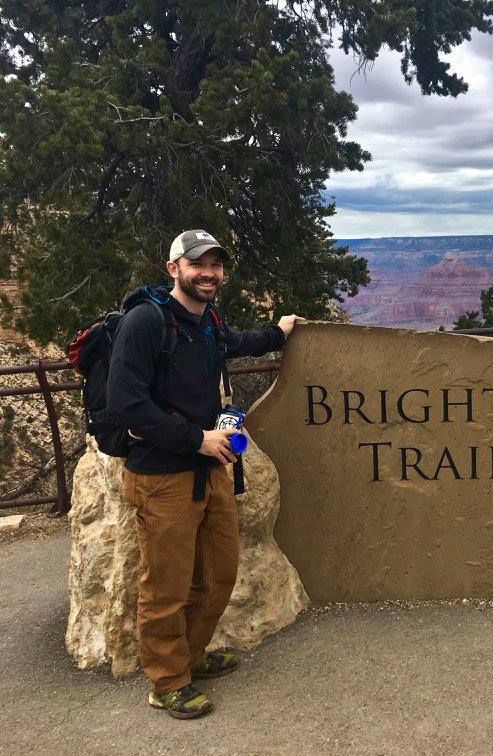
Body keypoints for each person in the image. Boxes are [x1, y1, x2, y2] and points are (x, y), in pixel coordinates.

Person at [107, 229, 303, 717]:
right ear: (173, 269)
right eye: (198, 264)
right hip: (162, 478)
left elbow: (235, 344)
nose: (209, 273)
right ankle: (167, 681)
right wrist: (197, 439)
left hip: (209, 471)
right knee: (166, 585)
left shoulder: (207, 321)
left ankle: (191, 657)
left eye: (215, 265)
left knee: (218, 574)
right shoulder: (145, 323)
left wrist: (279, 332)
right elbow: (127, 404)